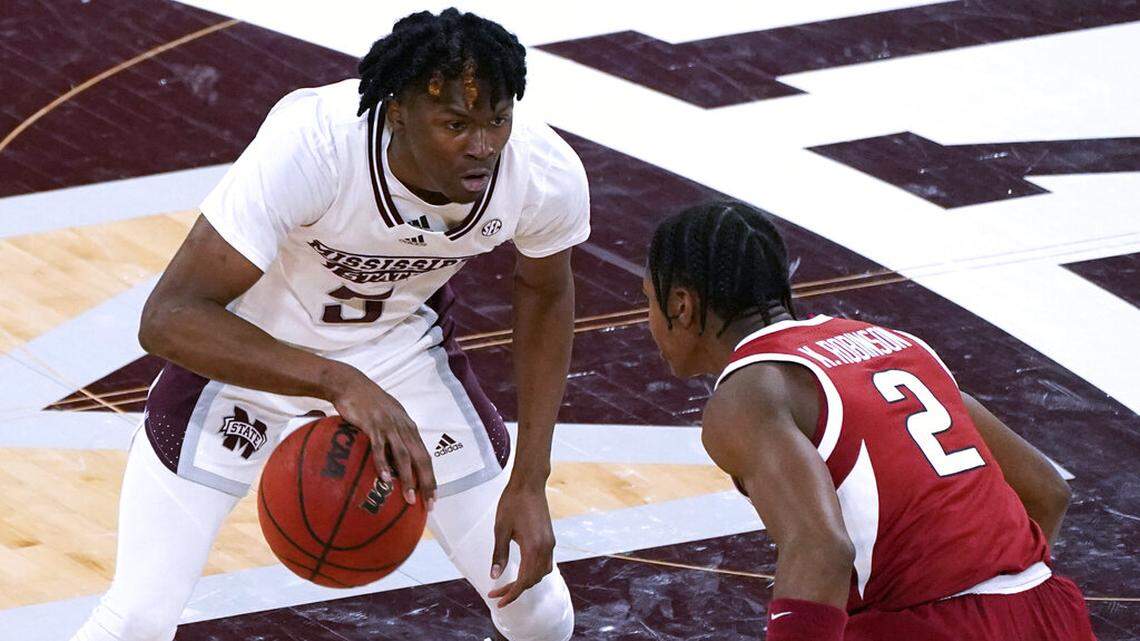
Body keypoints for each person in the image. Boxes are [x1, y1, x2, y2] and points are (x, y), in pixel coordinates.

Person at [72, 9, 587, 641]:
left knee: (539, 612)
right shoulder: (314, 145)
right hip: (251, 355)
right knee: (137, 619)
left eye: (497, 120)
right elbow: (168, 318)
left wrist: (531, 480)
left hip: (399, 357)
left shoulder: (540, 173)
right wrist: (337, 381)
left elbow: (546, 291)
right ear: (397, 113)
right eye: (456, 124)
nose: (482, 146)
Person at [641, 200, 1095, 641]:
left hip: (930, 626)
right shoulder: (897, 345)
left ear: (681, 305)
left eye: (649, 301)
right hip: (1049, 608)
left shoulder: (750, 393)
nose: (649, 320)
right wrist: (997, 591)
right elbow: (1047, 491)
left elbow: (822, 550)